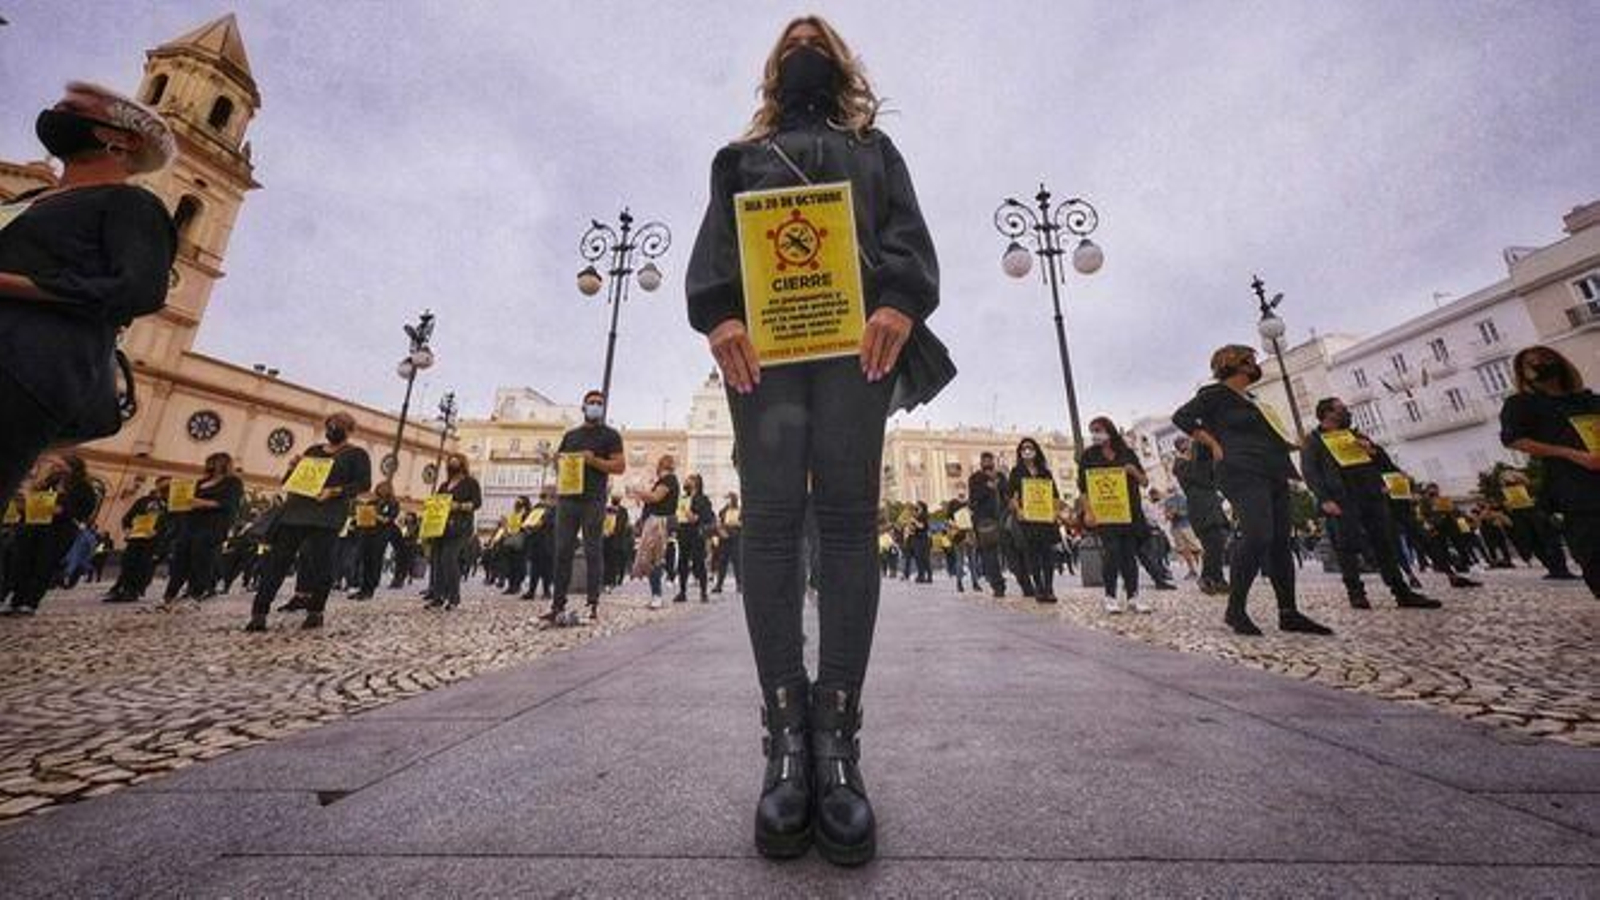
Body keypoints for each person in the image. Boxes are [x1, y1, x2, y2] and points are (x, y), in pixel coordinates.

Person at [686, 14, 950, 867]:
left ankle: (836, 741)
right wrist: (720, 314)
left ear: (836, 63)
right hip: (765, 354)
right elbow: (717, 248)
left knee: (843, 521)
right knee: (766, 523)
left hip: (855, 347)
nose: (804, 42)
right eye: (790, 36)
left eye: (817, 36)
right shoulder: (737, 159)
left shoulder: (874, 149)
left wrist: (899, 299)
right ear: (775, 68)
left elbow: (906, 234)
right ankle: (784, 738)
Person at [0, 83, 177, 501]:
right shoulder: (30, 199)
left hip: (22, 366)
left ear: (122, 139)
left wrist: (10, 284)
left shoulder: (132, 205)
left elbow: (140, 290)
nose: (58, 113)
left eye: (74, 109)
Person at [1173, 345, 1332, 636]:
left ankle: (1288, 611)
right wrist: (1213, 444)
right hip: (1240, 468)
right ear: (1237, 364)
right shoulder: (1214, 395)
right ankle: (1235, 610)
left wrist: (1294, 444)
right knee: (1258, 534)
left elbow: (1271, 434)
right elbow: (1182, 418)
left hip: (1272, 468)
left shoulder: (1253, 400)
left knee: (1281, 541)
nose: (1255, 366)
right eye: (1251, 361)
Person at [1300, 397, 1440, 609]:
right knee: (1347, 547)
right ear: (1328, 413)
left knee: (1385, 544)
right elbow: (1310, 472)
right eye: (1342, 409)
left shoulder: (1355, 435)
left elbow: (1385, 463)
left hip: (1371, 496)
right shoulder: (1314, 441)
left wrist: (1373, 452)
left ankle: (1401, 592)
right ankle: (1356, 593)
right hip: (1341, 500)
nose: (1347, 412)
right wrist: (1324, 498)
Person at [246, 413, 371, 631]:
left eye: (338, 425)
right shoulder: (313, 451)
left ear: (349, 429)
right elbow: (289, 482)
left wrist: (334, 491)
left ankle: (315, 611)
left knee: (321, 566)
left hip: (326, 517)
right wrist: (292, 467)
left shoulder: (357, 455)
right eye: (330, 425)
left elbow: (363, 484)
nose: (333, 428)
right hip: (296, 513)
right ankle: (259, 612)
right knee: (277, 563)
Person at [1499, 345, 1600, 597]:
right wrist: (1571, 454)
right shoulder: (1522, 404)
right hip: (1575, 488)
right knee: (1594, 553)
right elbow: (1514, 439)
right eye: (1531, 363)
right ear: (1523, 373)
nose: (1540, 364)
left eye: (1545, 358)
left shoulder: (1589, 400)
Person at [543, 390, 625, 624]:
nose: (595, 406)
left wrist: (594, 461)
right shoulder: (570, 436)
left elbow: (620, 466)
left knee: (593, 550)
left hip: (594, 499)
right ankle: (557, 604)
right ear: (583, 407)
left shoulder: (610, 435)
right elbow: (559, 464)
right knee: (562, 552)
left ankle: (592, 603)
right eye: (591, 403)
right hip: (568, 499)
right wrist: (559, 464)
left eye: (599, 403)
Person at [3, 454, 98, 615]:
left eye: (61, 465)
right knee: (23, 563)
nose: (57, 468)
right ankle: (16, 601)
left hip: (58, 531)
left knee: (43, 565)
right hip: (35, 526)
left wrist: (64, 510)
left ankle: (30, 603)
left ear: (73, 467)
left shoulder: (84, 487)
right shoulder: (50, 482)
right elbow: (35, 499)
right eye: (56, 465)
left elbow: (85, 510)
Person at [1077, 418, 1149, 613]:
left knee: (1129, 555)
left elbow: (1144, 482)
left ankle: (1133, 596)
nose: (1095, 434)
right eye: (1092, 431)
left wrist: (1133, 471)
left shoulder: (1127, 453)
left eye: (1098, 430)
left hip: (1129, 511)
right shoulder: (1089, 456)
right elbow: (1083, 488)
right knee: (1112, 552)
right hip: (1105, 514)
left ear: (1109, 429)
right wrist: (1088, 511)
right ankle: (1110, 596)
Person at [161, 452, 243, 606]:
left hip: (213, 526)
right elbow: (186, 500)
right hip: (191, 523)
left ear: (225, 464)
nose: (211, 464)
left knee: (201, 558)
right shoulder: (200, 482)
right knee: (181, 556)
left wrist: (203, 503)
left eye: (215, 461)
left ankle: (197, 591)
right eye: (210, 461)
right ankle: (170, 594)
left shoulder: (233, 482)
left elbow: (230, 504)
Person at [1171, 436, 1229, 595]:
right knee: (1212, 542)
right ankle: (1207, 577)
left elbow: (1212, 477)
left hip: (1212, 504)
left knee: (1218, 541)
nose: (1188, 446)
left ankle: (1217, 578)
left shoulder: (1198, 462)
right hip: (1200, 506)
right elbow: (1201, 477)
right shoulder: (1180, 464)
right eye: (1185, 444)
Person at [1009, 438, 1062, 603]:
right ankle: (1038, 588)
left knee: (1047, 554)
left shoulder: (1045, 472)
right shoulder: (1016, 472)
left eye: (1030, 448)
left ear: (1036, 450)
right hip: (1028, 520)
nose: (1027, 451)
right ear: (1020, 452)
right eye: (1024, 448)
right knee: (1033, 555)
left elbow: (1055, 495)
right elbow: (1012, 496)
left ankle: (1049, 588)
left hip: (1045, 520)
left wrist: (1055, 511)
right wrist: (1018, 510)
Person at [1498, 468, 1576, 579]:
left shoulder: (1532, 488)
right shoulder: (1505, 493)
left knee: (1550, 542)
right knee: (1535, 544)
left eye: (1512, 482)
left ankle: (1562, 570)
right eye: (1506, 484)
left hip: (1538, 517)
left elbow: (1545, 500)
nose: (1510, 485)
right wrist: (1508, 506)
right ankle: (1552, 569)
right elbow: (1505, 510)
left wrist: (1534, 501)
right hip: (1523, 521)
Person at [426, 453, 482, 611]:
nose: (453, 464)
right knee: (437, 562)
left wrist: (459, 506)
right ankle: (437, 596)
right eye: (450, 462)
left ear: (462, 464)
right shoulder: (444, 485)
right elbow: (437, 503)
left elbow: (477, 503)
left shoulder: (471, 483)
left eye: (456, 462)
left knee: (449, 560)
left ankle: (453, 597)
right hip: (440, 528)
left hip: (460, 528)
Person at [104, 479, 166, 602]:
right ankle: (121, 588)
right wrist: (127, 529)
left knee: (145, 565)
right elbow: (128, 517)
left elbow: (172, 523)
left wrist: (159, 532)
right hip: (136, 537)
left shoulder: (171, 504)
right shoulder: (143, 501)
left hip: (155, 541)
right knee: (128, 563)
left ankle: (134, 591)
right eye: (162, 484)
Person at [967, 452, 1009, 597]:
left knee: (1009, 551)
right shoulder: (975, 478)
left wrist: (999, 484)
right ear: (980, 463)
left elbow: (1007, 494)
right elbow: (973, 499)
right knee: (989, 554)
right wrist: (988, 487)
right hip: (985, 521)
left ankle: (1022, 579)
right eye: (984, 460)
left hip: (1003, 519)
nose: (987, 463)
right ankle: (998, 585)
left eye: (989, 460)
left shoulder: (1001, 477)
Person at [351, 481, 401, 599]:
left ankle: (370, 589)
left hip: (381, 536)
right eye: (379, 488)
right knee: (365, 561)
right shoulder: (372, 502)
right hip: (367, 533)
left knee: (375, 561)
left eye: (383, 488)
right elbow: (363, 516)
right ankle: (362, 588)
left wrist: (375, 515)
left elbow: (388, 520)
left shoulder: (393, 503)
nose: (380, 490)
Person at [675, 474, 715, 603]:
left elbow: (708, 516)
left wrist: (696, 517)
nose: (686, 482)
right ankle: (682, 592)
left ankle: (703, 592)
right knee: (682, 562)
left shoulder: (703, 499)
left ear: (696, 483)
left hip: (696, 532)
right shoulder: (683, 498)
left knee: (699, 562)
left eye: (689, 480)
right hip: (683, 531)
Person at [520, 486, 557, 601]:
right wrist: (528, 525)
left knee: (547, 568)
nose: (544, 498)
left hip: (548, 542)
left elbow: (554, 523)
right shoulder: (536, 508)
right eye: (543, 495)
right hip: (536, 541)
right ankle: (531, 590)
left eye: (545, 495)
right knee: (535, 568)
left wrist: (543, 521)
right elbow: (528, 520)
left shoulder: (555, 509)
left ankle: (546, 591)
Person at [714, 492, 743, 594]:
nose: (727, 501)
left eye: (728, 498)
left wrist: (736, 523)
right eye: (726, 499)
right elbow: (719, 523)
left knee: (737, 562)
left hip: (736, 538)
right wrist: (721, 532)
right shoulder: (723, 511)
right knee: (722, 562)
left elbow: (743, 524)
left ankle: (740, 585)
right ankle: (719, 585)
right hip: (724, 538)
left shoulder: (740, 511)